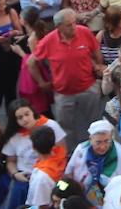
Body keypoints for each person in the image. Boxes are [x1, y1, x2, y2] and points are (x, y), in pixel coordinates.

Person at [31, 9, 104, 147]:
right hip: (63, 93)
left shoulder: (84, 32)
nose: (74, 27)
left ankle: (97, 148)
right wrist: (41, 82)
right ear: (59, 27)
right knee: (65, 128)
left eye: (74, 23)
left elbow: (96, 52)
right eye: (69, 25)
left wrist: (98, 66)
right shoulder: (49, 41)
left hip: (88, 87)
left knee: (95, 123)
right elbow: (32, 62)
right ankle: (70, 154)